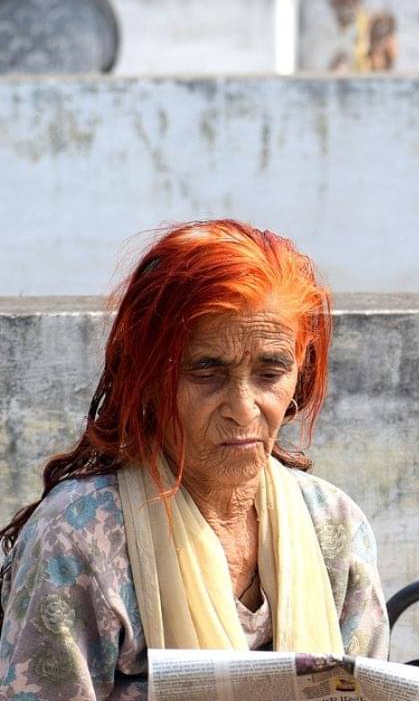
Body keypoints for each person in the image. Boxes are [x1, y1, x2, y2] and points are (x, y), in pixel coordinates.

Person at [0, 220, 389, 699]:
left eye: (270, 372)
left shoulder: (334, 528)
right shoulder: (84, 537)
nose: (243, 409)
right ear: (147, 376)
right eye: (207, 371)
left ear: (300, 373)